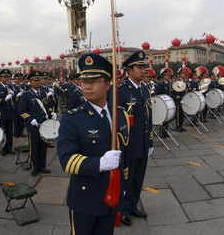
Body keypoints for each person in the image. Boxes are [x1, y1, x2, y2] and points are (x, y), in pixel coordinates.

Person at [58, 53, 129, 235]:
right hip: (85, 198)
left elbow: (124, 154)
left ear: (107, 84)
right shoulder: (72, 119)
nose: (87, 86)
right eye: (84, 81)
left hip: (111, 194)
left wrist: (122, 185)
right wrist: (99, 163)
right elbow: (67, 160)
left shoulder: (120, 114)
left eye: (95, 81)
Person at [112, 51, 152, 226]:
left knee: (138, 177)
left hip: (142, 142)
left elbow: (148, 117)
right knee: (126, 178)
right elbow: (116, 120)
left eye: (144, 67)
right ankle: (123, 209)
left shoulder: (144, 88)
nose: (143, 70)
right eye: (139, 67)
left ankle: (133, 204)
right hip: (128, 144)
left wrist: (150, 141)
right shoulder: (121, 91)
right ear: (129, 70)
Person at [18, 71, 56, 176]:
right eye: (35, 80)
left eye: (39, 80)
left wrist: (51, 112)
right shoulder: (26, 95)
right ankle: (34, 167)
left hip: (44, 124)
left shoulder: (44, 93)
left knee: (43, 146)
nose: (38, 82)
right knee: (34, 147)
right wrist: (30, 119)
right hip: (33, 125)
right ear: (30, 82)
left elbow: (47, 106)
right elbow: (21, 110)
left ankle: (42, 166)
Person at [0, 69, 16, 156]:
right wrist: (4, 99)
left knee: (10, 132)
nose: (7, 79)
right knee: (2, 131)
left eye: (8, 77)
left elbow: (14, 101)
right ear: (1, 78)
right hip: (1, 112)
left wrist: (13, 96)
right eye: (5, 77)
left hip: (10, 112)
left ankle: (9, 148)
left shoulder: (10, 87)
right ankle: (2, 148)